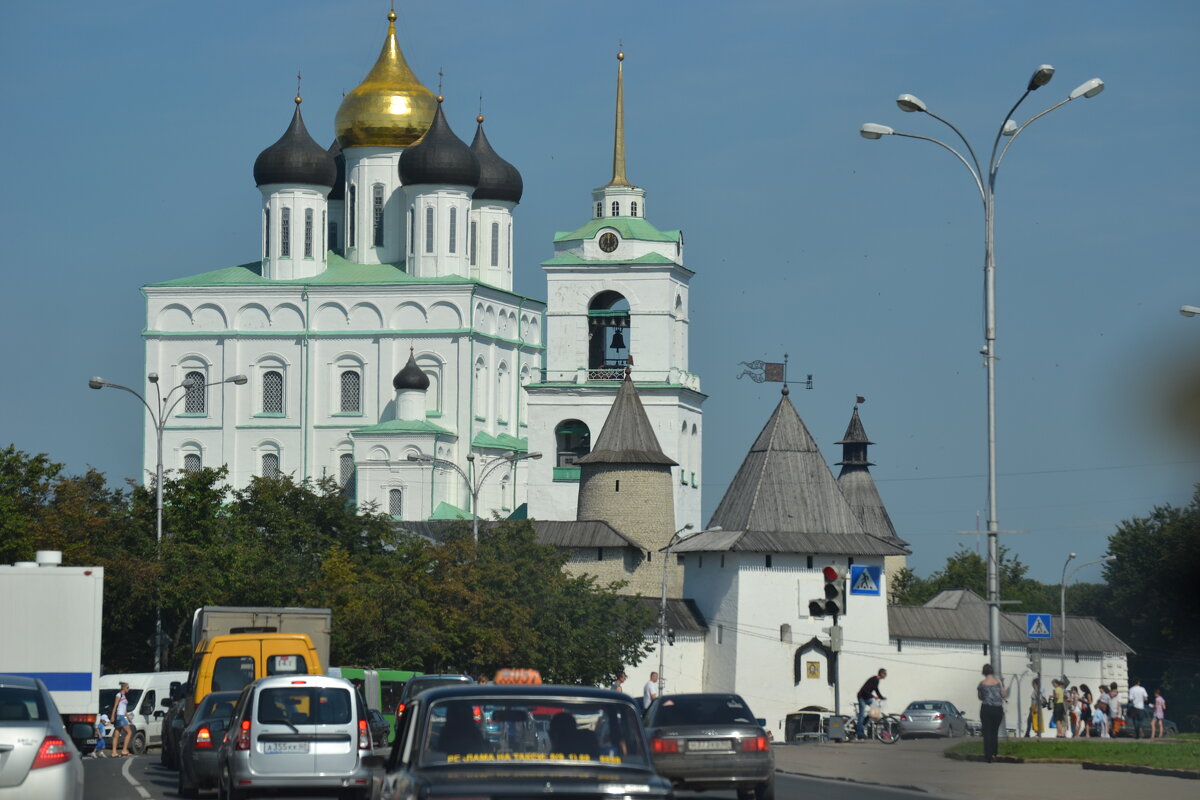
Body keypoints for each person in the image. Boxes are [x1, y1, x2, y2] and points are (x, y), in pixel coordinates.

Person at [977, 663, 1007, 763]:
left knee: (987, 732)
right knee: (994, 731)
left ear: (984, 672)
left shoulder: (981, 683)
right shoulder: (998, 682)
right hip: (997, 709)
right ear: (992, 671)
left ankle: (988, 755)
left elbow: (980, 697)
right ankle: (994, 753)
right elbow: (1003, 695)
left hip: (986, 708)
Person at [855, 668, 887, 739]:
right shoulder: (873, 679)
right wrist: (873, 696)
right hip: (862, 697)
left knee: (874, 710)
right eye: (885, 674)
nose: (886, 676)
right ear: (881, 674)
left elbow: (876, 689)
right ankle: (859, 733)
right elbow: (865, 690)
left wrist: (881, 697)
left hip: (867, 697)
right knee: (862, 714)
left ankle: (861, 724)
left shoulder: (877, 681)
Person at [110, 682, 133, 757]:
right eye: (127, 688)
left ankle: (114, 752)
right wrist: (113, 716)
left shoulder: (124, 696)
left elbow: (124, 709)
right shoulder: (118, 695)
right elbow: (115, 705)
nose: (128, 689)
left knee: (116, 734)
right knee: (129, 732)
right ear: (123, 687)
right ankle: (124, 750)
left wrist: (129, 718)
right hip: (120, 716)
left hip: (122, 715)